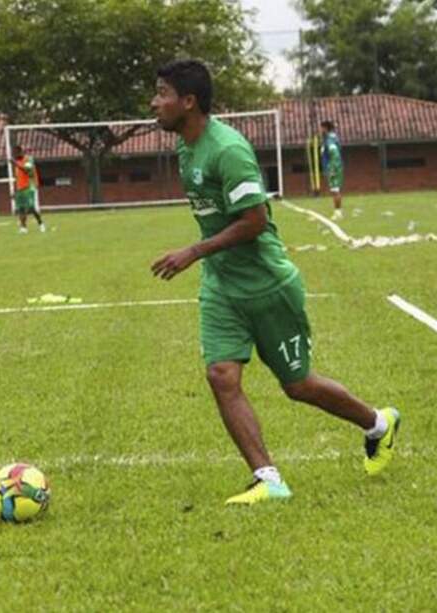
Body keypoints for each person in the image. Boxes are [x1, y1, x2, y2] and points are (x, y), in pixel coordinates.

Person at [149, 60, 399, 505]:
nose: (154, 103)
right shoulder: (185, 150)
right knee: (221, 375)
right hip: (222, 287)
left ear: (188, 101)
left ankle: (378, 424)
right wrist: (207, 260)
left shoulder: (228, 150)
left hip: (268, 284)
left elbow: (254, 221)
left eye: (162, 93)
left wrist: (194, 251)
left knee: (298, 385)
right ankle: (268, 478)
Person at [11, 145, 45, 233]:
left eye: (15, 153)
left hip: (29, 186)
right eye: (13, 154)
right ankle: (23, 228)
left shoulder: (28, 159)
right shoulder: (17, 162)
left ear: (20, 152)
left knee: (30, 207)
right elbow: (18, 177)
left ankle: (41, 223)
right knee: (21, 208)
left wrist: (16, 164)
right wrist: (16, 190)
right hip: (20, 188)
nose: (14, 156)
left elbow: (28, 171)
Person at [320, 120, 344, 220]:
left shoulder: (330, 140)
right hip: (332, 166)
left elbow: (335, 154)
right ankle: (338, 211)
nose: (320, 130)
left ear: (325, 128)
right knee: (334, 190)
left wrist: (332, 168)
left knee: (335, 190)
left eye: (321, 128)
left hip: (333, 167)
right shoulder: (329, 138)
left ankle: (338, 212)